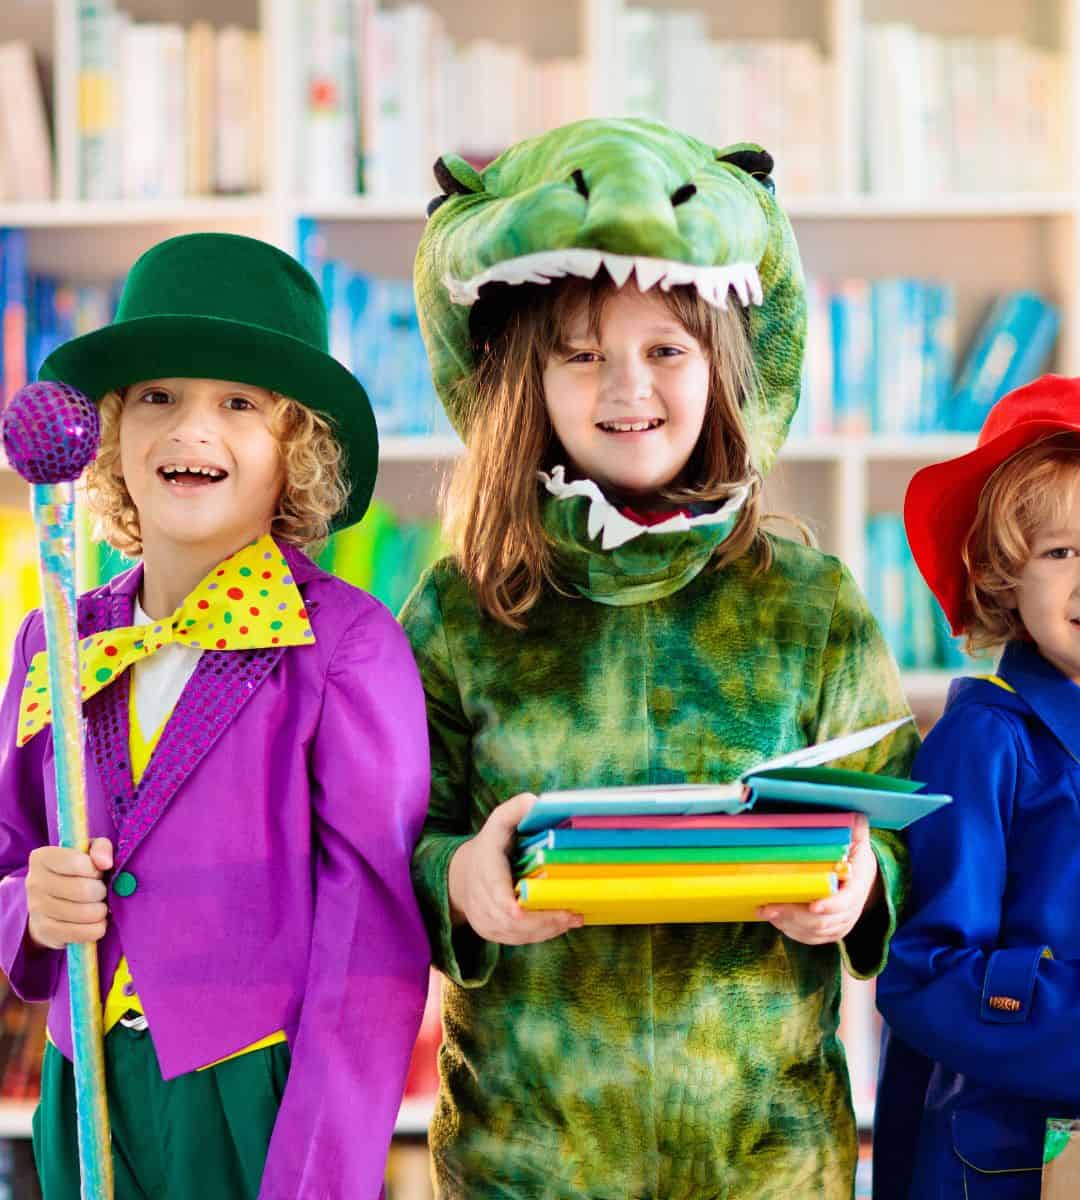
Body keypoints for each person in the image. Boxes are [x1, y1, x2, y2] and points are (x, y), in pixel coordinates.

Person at [402, 117, 917, 1198]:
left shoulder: (810, 602)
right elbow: (392, 833)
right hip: (526, 1158)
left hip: (767, 1156)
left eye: (664, 350)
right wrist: (461, 879)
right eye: (580, 354)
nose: (625, 387)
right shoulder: (458, 608)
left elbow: (899, 815)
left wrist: (861, 882)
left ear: (721, 366)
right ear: (523, 383)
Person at [0, 232, 431, 1199]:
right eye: (158, 398)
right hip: (87, 1094)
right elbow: (8, 845)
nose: (193, 430)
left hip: (257, 1096)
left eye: (239, 404)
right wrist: (32, 905)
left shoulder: (347, 651)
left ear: (301, 451)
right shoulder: (56, 639)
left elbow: (370, 951)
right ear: (110, 436)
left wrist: (315, 1177)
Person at [876, 372, 1080, 1199]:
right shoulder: (982, 744)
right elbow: (925, 977)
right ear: (1002, 577)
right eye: (1060, 551)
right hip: (1013, 1171)